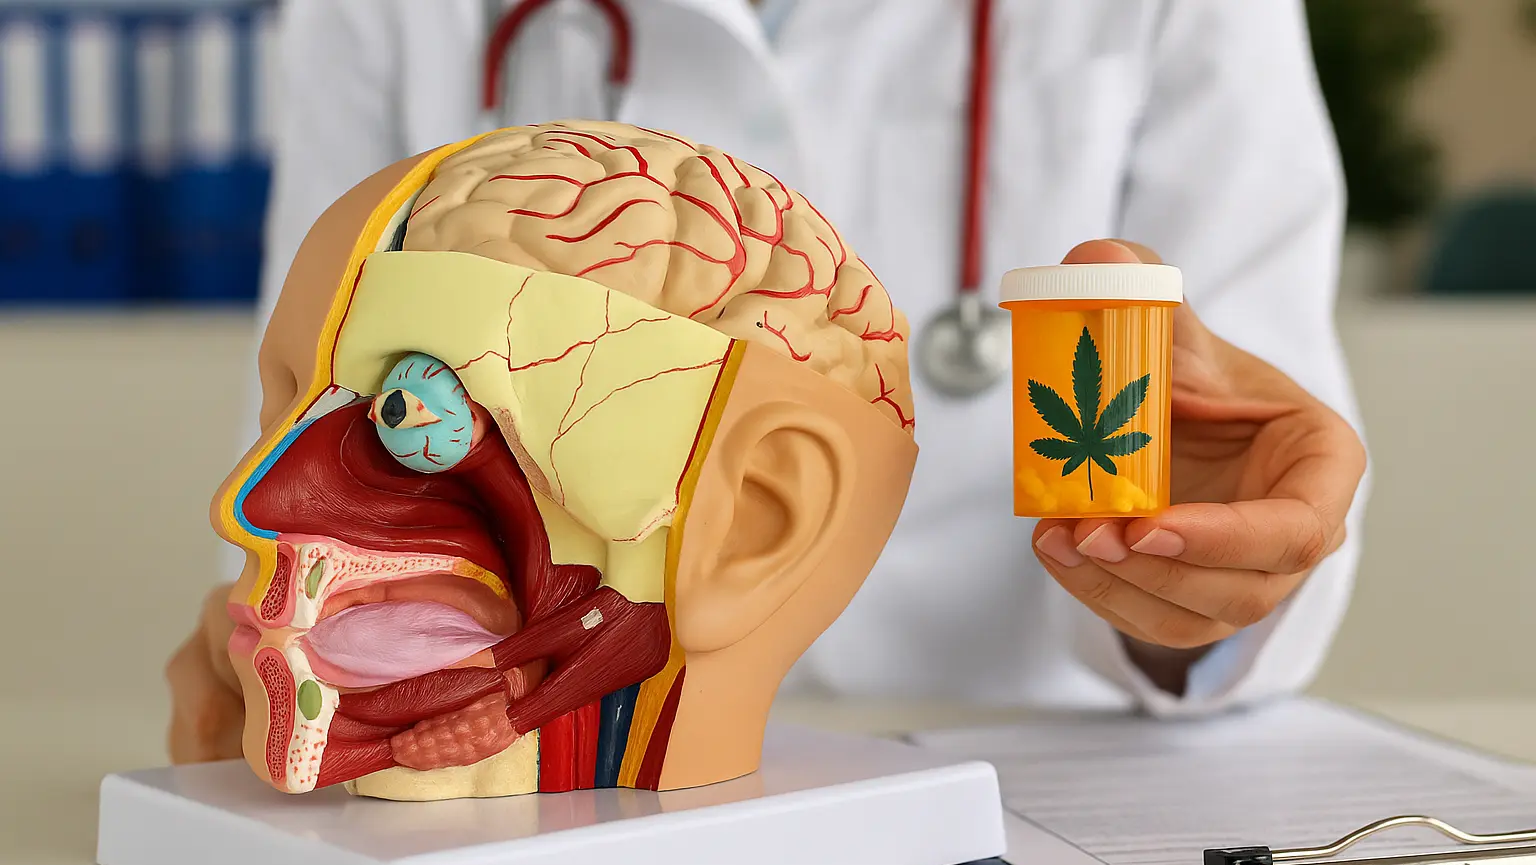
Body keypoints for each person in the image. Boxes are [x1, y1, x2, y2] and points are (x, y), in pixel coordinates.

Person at [169, 0, 1368, 759]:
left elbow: (1262, 475)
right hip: (539, 797)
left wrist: (1195, 575)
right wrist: (314, 620)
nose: (253, 494)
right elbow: (313, 386)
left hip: (1025, 767)